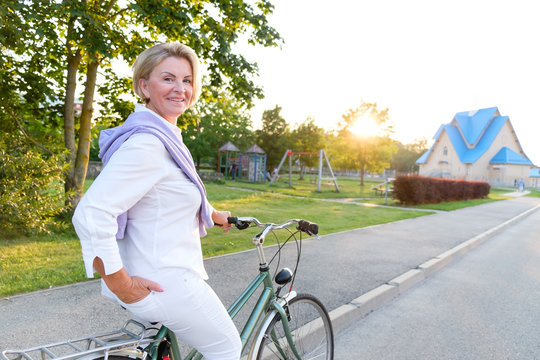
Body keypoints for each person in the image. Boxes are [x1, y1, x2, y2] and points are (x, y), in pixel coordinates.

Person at [72, 43, 241, 360]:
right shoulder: (149, 143)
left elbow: (165, 192)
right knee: (227, 347)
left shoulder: (161, 135)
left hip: (152, 275)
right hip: (165, 281)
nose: (180, 89)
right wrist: (121, 283)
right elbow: (92, 212)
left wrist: (212, 213)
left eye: (187, 80)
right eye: (168, 78)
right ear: (143, 85)